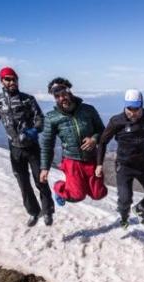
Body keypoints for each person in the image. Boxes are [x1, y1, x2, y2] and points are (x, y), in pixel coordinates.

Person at [0, 67, 53, 227]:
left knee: (40, 180)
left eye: (14, 79)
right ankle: (33, 212)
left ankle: (48, 210)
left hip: (32, 147)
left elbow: (40, 119)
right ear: (2, 81)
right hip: (14, 148)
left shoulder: (28, 99)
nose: (12, 82)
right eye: (7, 79)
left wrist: (33, 131)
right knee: (23, 183)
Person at [98, 89, 144, 228]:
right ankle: (124, 216)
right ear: (125, 106)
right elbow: (103, 141)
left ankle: (140, 209)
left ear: (142, 106)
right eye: (130, 109)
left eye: (137, 109)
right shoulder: (116, 121)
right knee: (125, 198)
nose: (133, 112)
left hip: (143, 166)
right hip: (124, 167)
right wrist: (99, 164)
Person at [39, 77, 107, 207]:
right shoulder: (52, 118)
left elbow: (102, 131)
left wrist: (94, 139)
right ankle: (60, 188)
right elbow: (47, 144)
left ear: (69, 91)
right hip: (72, 160)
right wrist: (44, 168)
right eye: (57, 96)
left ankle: (79, 185)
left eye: (63, 93)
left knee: (99, 194)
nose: (61, 98)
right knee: (77, 195)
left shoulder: (88, 110)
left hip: (91, 158)